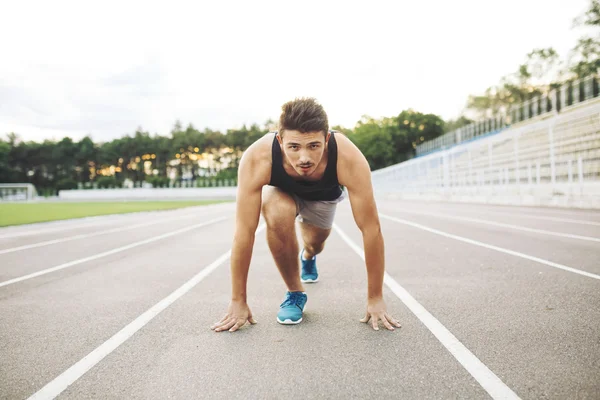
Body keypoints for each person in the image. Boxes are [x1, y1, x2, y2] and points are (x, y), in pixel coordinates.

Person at [210, 97, 401, 332]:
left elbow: (371, 228)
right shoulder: (257, 158)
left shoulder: (347, 156)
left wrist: (375, 298)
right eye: (294, 147)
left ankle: (308, 256)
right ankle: (295, 293)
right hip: (283, 194)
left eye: (313, 146)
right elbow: (244, 232)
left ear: (327, 139)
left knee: (315, 243)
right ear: (280, 140)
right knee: (275, 208)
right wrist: (238, 301)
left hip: (323, 199)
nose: (304, 158)